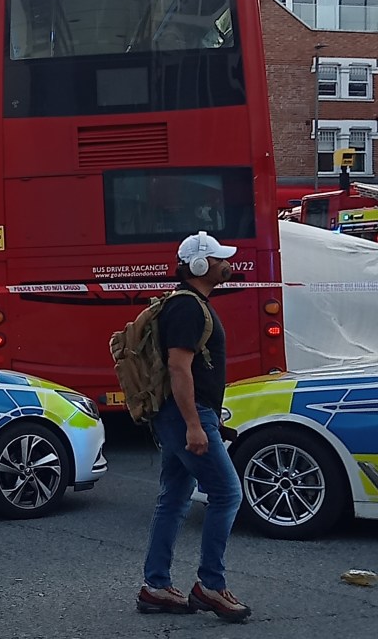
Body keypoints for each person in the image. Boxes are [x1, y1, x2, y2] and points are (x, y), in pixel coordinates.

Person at [137, 231, 250, 622]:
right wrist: (194, 425)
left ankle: (156, 587)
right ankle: (211, 586)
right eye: (219, 258)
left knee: (174, 497)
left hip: (186, 414)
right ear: (199, 266)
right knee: (226, 494)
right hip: (186, 416)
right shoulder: (187, 307)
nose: (227, 264)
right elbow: (178, 367)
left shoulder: (190, 304)